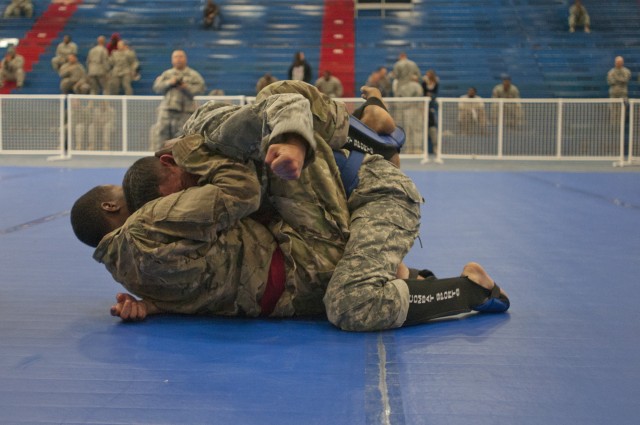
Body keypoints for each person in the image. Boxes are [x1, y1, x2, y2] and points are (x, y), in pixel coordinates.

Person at [71, 81, 509, 330]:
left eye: (175, 192)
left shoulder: (210, 140)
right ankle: (452, 281)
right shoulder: (151, 247)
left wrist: (293, 141)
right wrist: (155, 302)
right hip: (325, 221)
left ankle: (370, 140)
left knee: (352, 303)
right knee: (344, 274)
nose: (186, 202)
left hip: (374, 193)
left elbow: (286, 101)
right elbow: (215, 276)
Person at [151, 50, 206, 149]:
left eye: (181, 57)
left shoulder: (193, 75)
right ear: (172, 60)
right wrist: (169, 82)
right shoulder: (167, 74)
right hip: (167, 111)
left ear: (185, 59)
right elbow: (157, 88)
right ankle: (159, 159)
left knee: (183, 136)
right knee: (161, 135)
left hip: (185, 112)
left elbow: (201, 88)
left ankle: (180, 161)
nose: (178, 59)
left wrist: (186, 87)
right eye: (176, 57)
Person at [422, 69, 439, 155]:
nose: (427, 75)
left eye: (428, 74)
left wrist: (431, 96)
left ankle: (436, 147)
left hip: (432, 104)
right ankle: (422, 149)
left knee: (433, 127)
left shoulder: (436, 82)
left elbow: (435, 92)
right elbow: (423, 91)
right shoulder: (424, 82)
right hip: (424, 104)